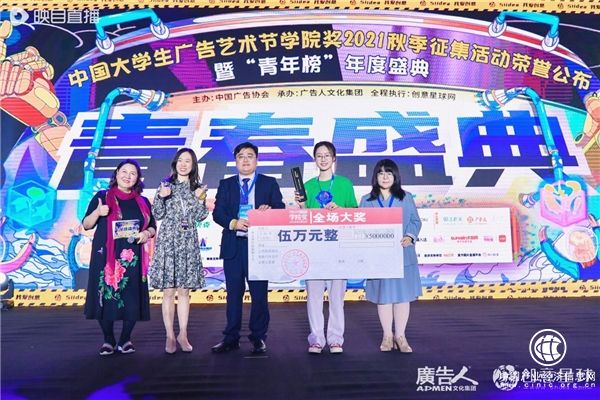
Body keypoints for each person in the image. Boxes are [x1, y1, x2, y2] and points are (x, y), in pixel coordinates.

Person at [211, 142, 285, 354]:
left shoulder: (268, 183)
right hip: (233, 246)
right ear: (235, 161)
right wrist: (234, 223)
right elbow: (218, 213)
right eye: (241, 156)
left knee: (259, 295)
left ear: (257, 160)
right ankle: (230, 337)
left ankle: (258, 337)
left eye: (250, 156)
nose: (245, 160)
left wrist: (269, 211)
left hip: (259, 247)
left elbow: (280, 209)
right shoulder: (226, 184)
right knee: (233, 295)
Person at [82, 159, 156, 356]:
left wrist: (146, 233)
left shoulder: (143, 201)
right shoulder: (102, 196)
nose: (128, 176)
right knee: (105, 296)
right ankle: (108, 340)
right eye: (124, 171)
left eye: (133, 173)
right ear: (116, 173)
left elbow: (152, 227)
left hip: (131, 257)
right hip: (105, 255)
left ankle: (125, 339)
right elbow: (87, 225)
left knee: (131, 297)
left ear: (138, 178)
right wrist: (98, 212)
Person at [296, 141, 357, 354]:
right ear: (315, 160)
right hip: (314, 248)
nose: (323, 159)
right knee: (313, 297)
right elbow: (303, 219)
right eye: (319, 155)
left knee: (336, 297)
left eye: (327, 155)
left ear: (334, 159)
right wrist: (302, 206)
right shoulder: (307, 186)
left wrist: (340, 210)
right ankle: (316, 339)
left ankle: (335, 339)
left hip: (339, 247)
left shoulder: (345, 184)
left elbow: (356, 214)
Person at [359, 159, 422, 352]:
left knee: (402, 297)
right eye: (381, 173)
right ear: (375, 177)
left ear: (395, 176)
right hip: (378, 258)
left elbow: (415, 221)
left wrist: (409, 236)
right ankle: (387, 336)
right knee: (383, 296)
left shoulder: (406, 197)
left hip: (403, 254)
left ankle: (400, 336)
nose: (385, 177)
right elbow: (359, 227)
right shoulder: (366, 200)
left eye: (389, 173)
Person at [150, 148, 209, 354]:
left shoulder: (198, 188)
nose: (183, 164)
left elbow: (200, 216)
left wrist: (199, 198)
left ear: (193, 166)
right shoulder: (165, 185)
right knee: (168, 291)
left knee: (184, 291)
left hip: (187, 241)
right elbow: (157, 214)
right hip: (168, 242)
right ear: (175, 163)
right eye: (180, 160)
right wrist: (161, 197)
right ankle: (169, 336)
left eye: (188, 161)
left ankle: (183, 334)